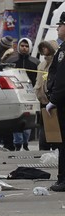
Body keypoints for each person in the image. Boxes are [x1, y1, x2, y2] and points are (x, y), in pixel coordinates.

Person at [5, 37, 40, 151]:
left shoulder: (35, 62)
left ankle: (25, 142)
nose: (24, 48)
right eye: (22, 46)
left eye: (26, 46)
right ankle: (18, 143)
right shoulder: (12, 61)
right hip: (15, 95)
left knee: (29, 119)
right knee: (17, 118)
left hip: (30, 95)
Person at [46, 12, 65, 192]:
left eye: (61, 25)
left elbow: (62, 79)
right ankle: (62, 177)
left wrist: (54, 99)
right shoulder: (62, 48)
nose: (58, 28)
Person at [35, 40, 59, 151]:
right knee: (43, 130)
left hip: (53, 102)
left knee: (54, 132)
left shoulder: (57, 63)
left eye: (47, 47)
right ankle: (43, 151)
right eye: (43, 47)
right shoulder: (41, 64)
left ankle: (55, 151)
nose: (44, 50)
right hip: (42, 102)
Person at [0, 35, 15, 151]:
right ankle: (5, 143)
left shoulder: (7, 56)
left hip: (3, 91)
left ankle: (5, 143)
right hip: (3, 92)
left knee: (2, 120)